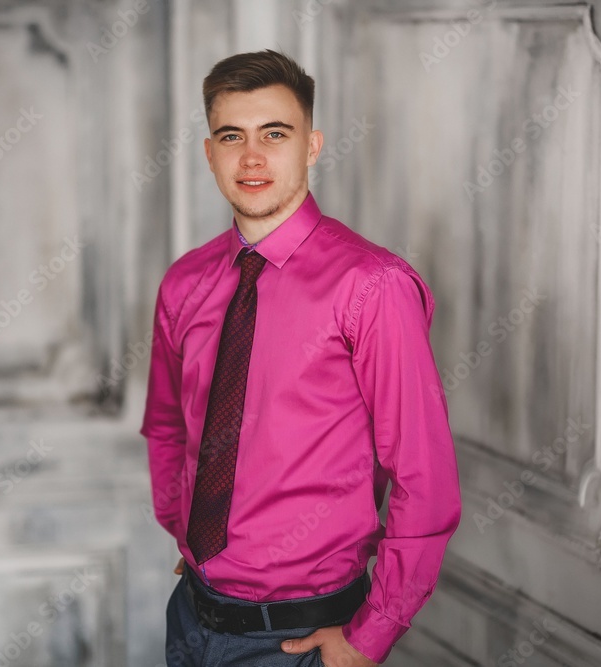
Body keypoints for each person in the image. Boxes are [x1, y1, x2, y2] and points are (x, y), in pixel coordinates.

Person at [140, 49, 462, 667]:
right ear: (209, 153)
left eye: (275, 134)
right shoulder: (185, 283)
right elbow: (166, 424)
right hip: (189, 616)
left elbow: (425, 477)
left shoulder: (372, 286)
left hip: (300, 639)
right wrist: (187, 526)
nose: (252, 157)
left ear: (312, 146)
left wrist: (372, 635)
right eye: (232, 136)